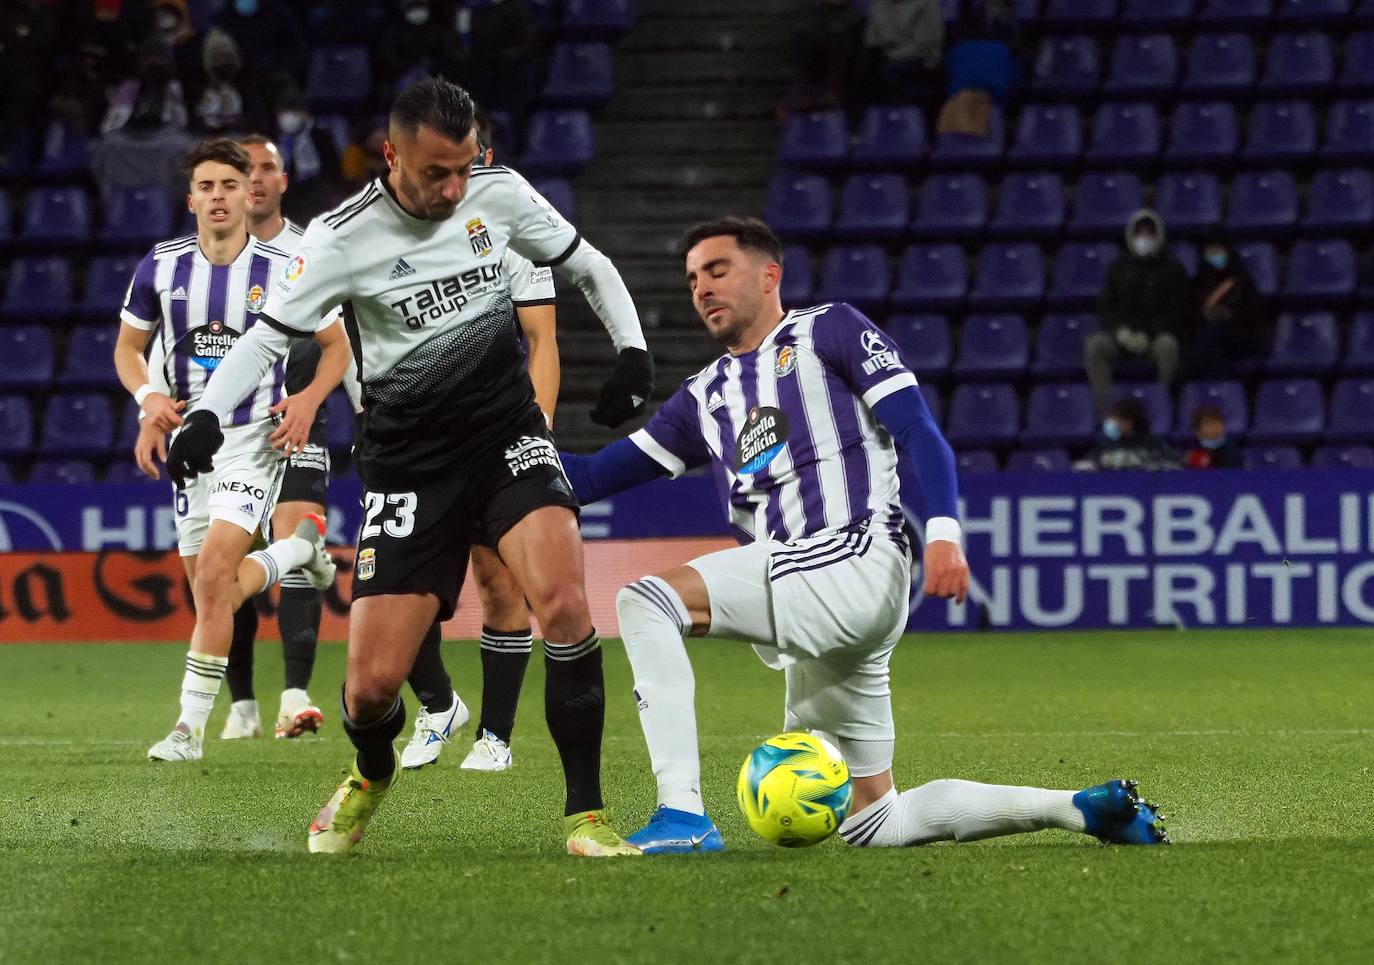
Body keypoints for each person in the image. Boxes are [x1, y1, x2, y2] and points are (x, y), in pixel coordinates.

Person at [557, 216, 1168, 853]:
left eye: (717, 270)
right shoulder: (703, 397)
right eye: (691, 280)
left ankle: (681, 815)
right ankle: (1081, 811)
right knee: (874, 820)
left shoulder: (830, 330)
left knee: (645, 602)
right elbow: (592, 477)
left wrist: (943, 534)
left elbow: (919, 433)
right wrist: (505, 445)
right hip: (818, 598)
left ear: (770, 275)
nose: (701, 289)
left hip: (849, 554)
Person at [167, 79, 655, 857]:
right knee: (368, 691)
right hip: (407, 467)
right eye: (436, 173)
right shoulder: (338, 237)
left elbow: (588, 264)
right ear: (392, 155)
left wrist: (631, 349)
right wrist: (200, 414)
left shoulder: (496, 194)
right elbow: (265, 339)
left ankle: (587, 817)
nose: (454, 187)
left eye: (464, 167)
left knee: (563, 601)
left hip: (504, 436)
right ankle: (370, 769)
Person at [114, 138, 352, 762]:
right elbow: (128, 350)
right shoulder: (161, 266)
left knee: (217, 575)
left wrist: (305, 401)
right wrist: (148, 403)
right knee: (210, 593)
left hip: (252, 440)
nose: (218, 197)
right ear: (190, 198)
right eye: (207, 187)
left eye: (229, 185)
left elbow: (337, 347)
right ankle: (299, 550)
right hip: (189, 445)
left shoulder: (283, 266)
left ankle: (187, 731)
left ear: (250, 194)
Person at [400, 108, 562, 773]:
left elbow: (544, 340)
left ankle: (494, 735)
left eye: (472, 162)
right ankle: (439, 705)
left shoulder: (516, 239)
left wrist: (535, 434)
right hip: (412, 441)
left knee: (500, 583)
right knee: (395, 590)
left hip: (496, 434)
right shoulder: (385, 236)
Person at [215, 133, 351, 740]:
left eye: (268, 168)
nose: (258, 179)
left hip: (299, 423)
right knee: (231, 567)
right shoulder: (203, 262)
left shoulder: (311, 253)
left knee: (296, 539)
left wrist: (363, 410)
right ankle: (240, 701)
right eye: (246, 170)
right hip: (229, 435)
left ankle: (294, 695)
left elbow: (345, 344)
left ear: (283, 180)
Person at [1085, 209, 1192, 417]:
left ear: (1158, 235)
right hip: (1122, 338)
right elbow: (1105, 308)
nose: (1144, 239)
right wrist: (1120, 332)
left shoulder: (1173, 270)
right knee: (1095, 345)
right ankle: (1105, 410)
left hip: (1154, 339)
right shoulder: (1118, 268)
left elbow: (1179, 311)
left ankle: (1163, 405)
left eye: (1149, 233)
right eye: (1139, 233)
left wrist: (1150, 334)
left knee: (1168, 345)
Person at [1183, 233, 1271, 380]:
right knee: (1212, 347)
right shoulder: (1199, 282)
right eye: (1211, 251)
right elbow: (1190, 316)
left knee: (1212, 336)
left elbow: (1254, 316)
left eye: (1219, 250)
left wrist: (1228, 314)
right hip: (1212, 341)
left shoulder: (1242, 281)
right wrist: (1206, 315)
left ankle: (1186, 377)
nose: (1215, 255)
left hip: (1240, 338)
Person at [1080, 397, 1178, 472]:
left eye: (1115, 419)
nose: (1110, 423)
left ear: (1128, 422)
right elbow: (1086, 465)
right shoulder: (1104, 445)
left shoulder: (1153, 444)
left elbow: (1173, 465)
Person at [1184, 404, 1243, 470]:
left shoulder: (1232, 448)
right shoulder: (1192, 449)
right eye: (1209, 424)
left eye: (1219, 423)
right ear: (1197, 431)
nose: (1215, 428)